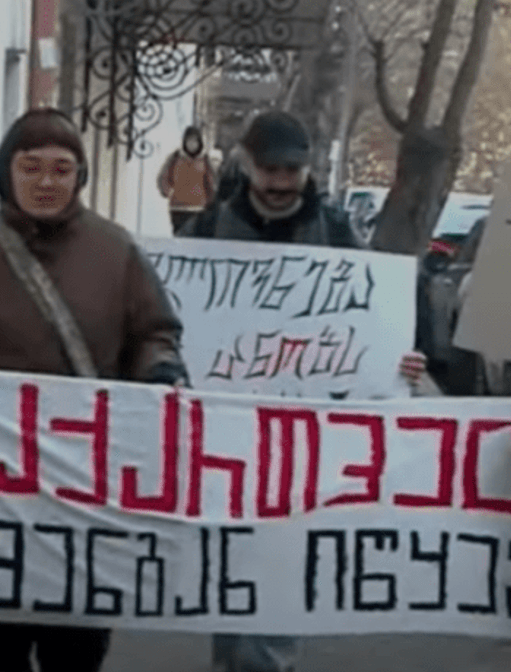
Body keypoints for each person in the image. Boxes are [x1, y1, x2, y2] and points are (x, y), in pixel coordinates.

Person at [0, 108, 189, 672]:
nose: (46, 182)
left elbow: (153, 333)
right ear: (6, 172)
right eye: (31, 168)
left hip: (85, 486)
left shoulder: (115, 252)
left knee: (78, 645)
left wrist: (160, 373)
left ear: (80, 176)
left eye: (61, 169)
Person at [180, 108, 427, 672]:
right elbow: (170, 320)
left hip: (304, 448)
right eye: (269, 170)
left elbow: (373, 323)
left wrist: (400, 361)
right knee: (228, 576)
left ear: (307, 170)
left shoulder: (338, 232)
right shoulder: (204, 232)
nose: (280, 183)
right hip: (226, 441)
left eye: (291, 171)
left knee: (281, 582)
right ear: (246, 165)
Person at [158, 125, 217, 233]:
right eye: (189, 140)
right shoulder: (175, 157)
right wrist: (167, 191)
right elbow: (164, 176)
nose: (192, 144)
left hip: (199, 209)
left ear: (200, 143)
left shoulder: (205, 160)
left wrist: (211, 202)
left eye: (195, 141)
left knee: (196, 240)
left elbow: (211, 182)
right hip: (178, 208)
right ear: (184, 142)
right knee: (180, 238)